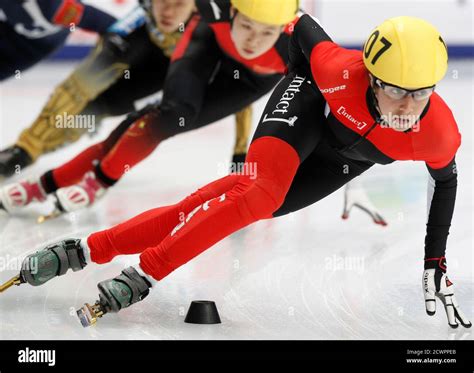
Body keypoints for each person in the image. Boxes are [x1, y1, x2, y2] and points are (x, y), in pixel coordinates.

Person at [17, 15, 469, 328]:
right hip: (306, 106)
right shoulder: (335, 70)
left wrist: (434, 260)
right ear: (371, 76)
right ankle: (145, 274)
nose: (408, 107)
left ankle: (86, 248)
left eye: (421, 93)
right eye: (394, 91)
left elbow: (445, 185)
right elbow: (297, 26)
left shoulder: (439, 133)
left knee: (220, 205)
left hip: (344, 160)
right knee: (261, 195)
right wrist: (295, 76)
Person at [0, 0, 298, 217]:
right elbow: (76, 85)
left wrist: (239, 152)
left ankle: (68, 174)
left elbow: (241, 98)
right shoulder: (144, 23)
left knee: (140, 116)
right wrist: (28, 147)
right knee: (90, 98)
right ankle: (29, 153)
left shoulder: (224, 24)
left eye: (178, 4)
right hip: (154, 46)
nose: (168, 12)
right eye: (162, 3)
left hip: (196, 63)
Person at [0, 0, 117, 175]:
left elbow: (112, 27)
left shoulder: (54, 7)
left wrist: (101, 94)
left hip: (28, 45)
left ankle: (26, 150)